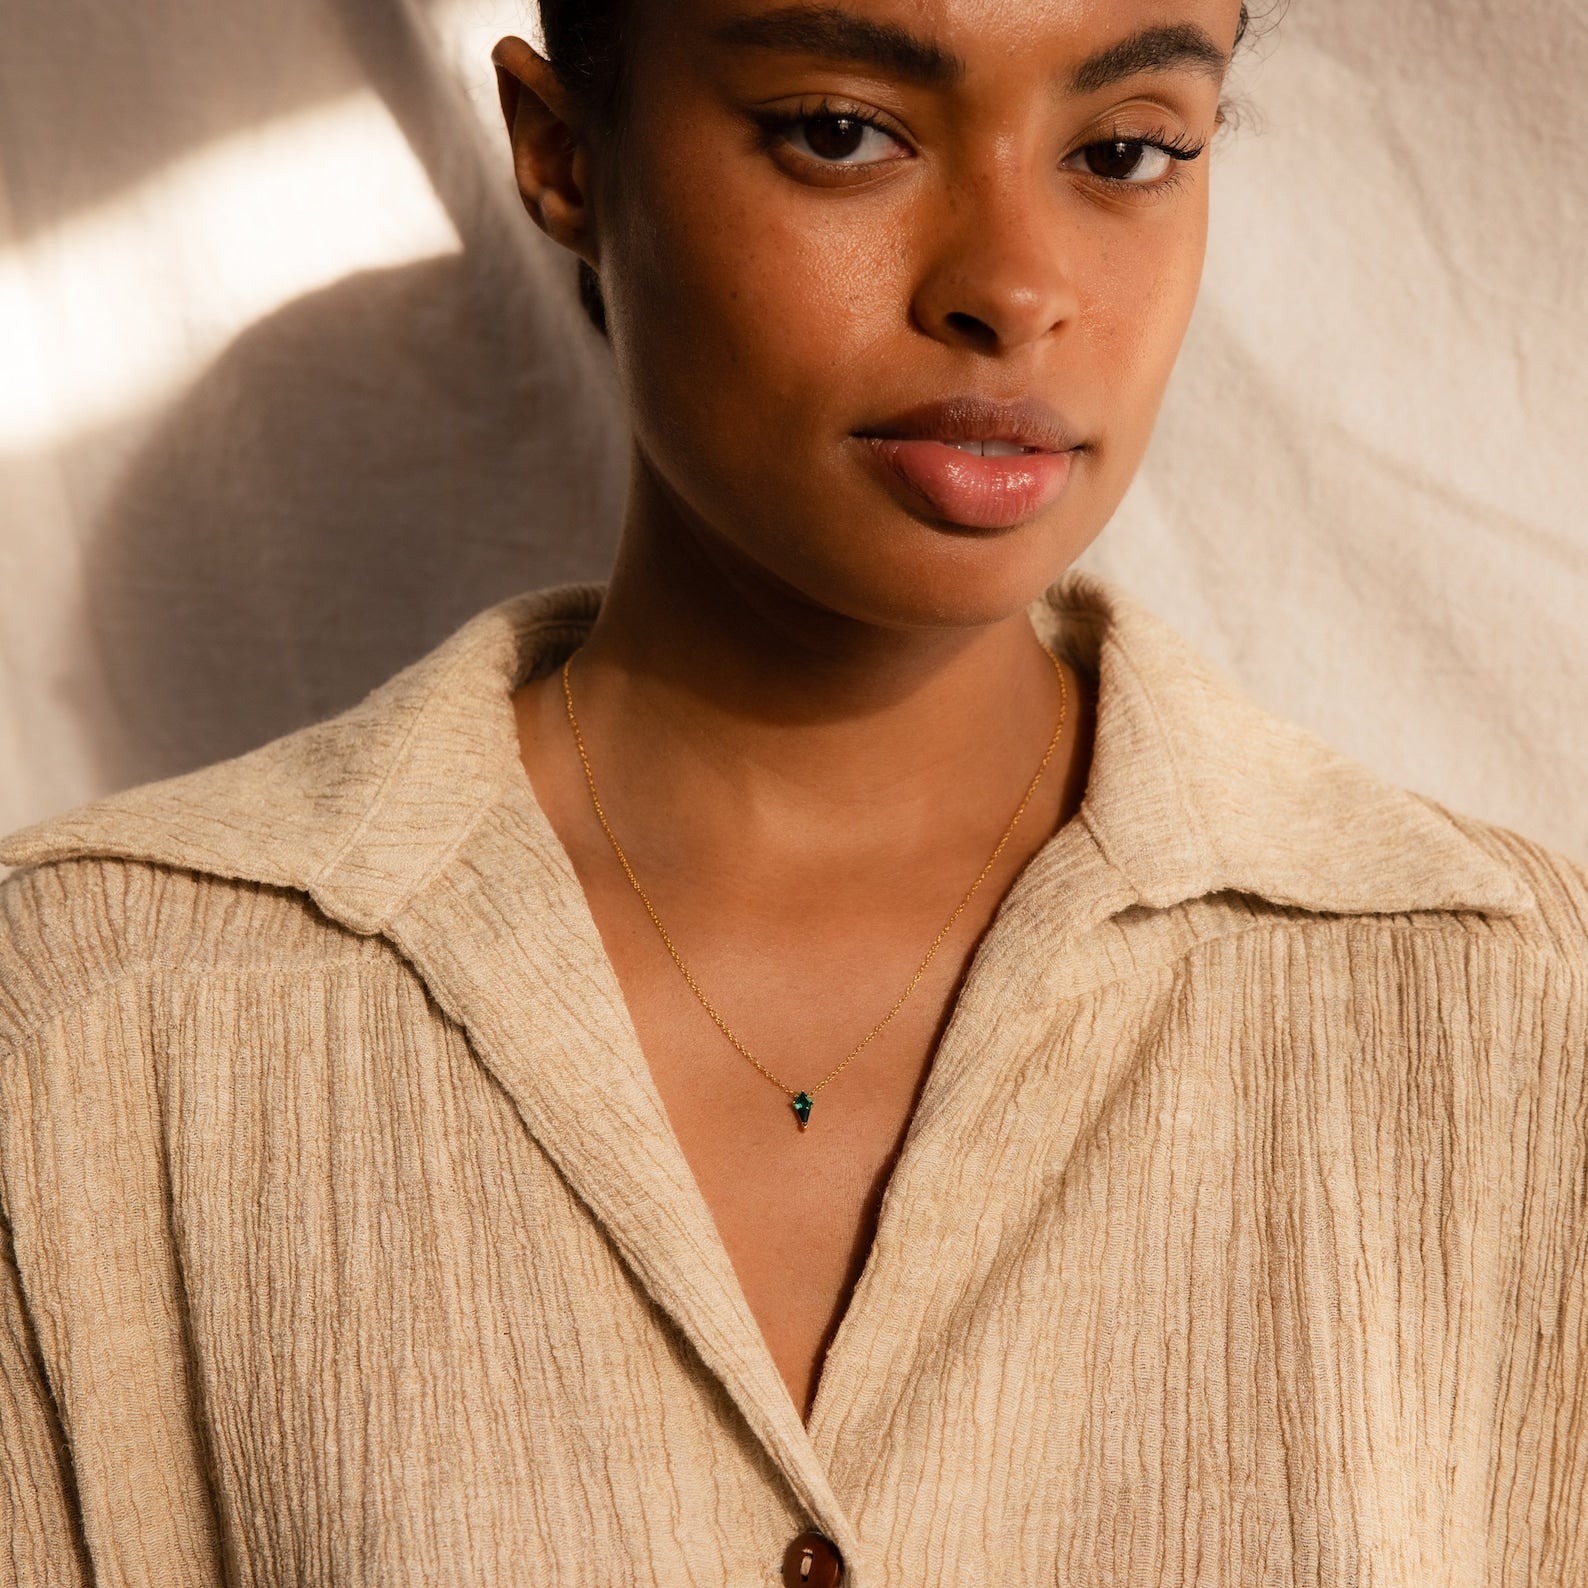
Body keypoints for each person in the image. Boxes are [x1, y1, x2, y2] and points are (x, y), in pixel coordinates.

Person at [1, 2, 1583, 1584]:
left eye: (1125, 151)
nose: (1013, 290)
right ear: (561, 156)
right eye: (842, 132)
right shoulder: (93, 1022)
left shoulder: (1509, 1012)